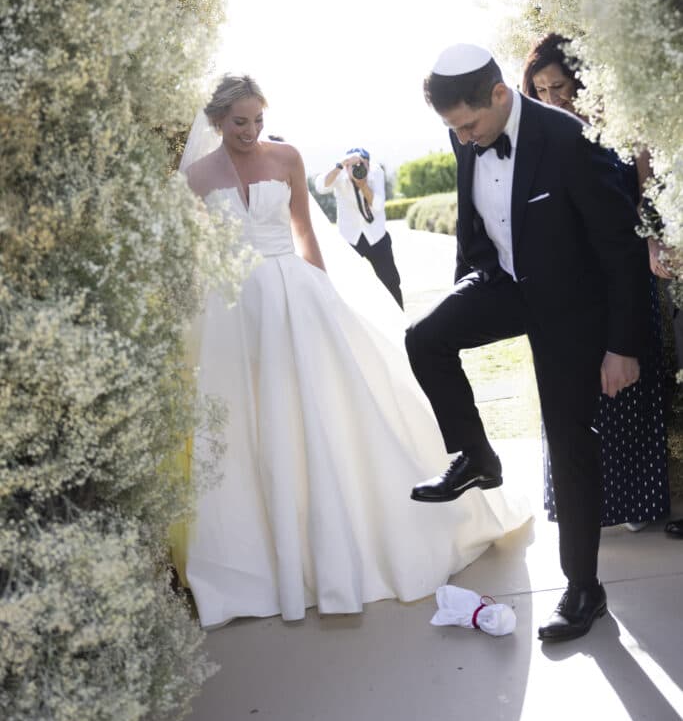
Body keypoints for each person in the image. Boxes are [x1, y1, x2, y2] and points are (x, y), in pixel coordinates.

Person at [178, 74, 529, 628]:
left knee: (325, 411)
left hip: (295, 296)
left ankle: (361, 538)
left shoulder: (286, 157)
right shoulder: (195, 178)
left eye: (257, 121)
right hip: (233, 312)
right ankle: (269, 559)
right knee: (254, 424)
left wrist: (322, 292)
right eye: (239, 122)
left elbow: (303, 231)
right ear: (217, 120)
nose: (250, 131)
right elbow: (195, 254)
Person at [405, 43, 650, 642]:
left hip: (572, 308)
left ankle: (584, 590)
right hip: (506, 286)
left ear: (496, 94)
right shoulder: (467, 138)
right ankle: (477, 456)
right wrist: (472, 286)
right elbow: (476, 227)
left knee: (570, 445)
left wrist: (623, 345)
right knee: (424, 338)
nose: (463, 139)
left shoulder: (569, 140)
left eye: (468, 125)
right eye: (452, 130)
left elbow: (621, 251)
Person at [521, 33, 669, 532]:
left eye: (558, 86)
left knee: (628, 388)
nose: (551, 99)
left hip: (626, 271)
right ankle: (585, 503)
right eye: (540, 90)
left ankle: (633, 503)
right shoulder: (541, 138)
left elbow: (646, 193)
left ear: (581, 80)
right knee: (578, 392)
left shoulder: (620, 127)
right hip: (572, 281)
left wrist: (653, 244)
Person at [315, 147, 403, 307]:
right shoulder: (339, 174)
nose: (358, 168)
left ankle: (402, 324)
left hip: (376, 235)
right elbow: (320, 187)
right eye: (353, 165)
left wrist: (363, 185)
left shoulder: (375, 172)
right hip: (350, 238)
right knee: (347, 286)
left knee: (391, 281)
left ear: (369, 163)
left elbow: (377, 206)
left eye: (362, 164)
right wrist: (341, 165)